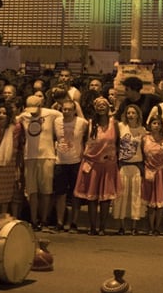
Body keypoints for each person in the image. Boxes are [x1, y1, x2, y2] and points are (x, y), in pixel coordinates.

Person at [74, 96, 121, 235]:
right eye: (98, 105)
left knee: (105, 198)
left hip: (108, 164)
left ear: (108, 108)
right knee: (92, 197)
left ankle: (102, 227)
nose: (101, 107)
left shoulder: (115, 124)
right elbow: (84, 142)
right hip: (92, 163)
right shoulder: (90, 124)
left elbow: (118, 142)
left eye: (104, 105)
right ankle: (93, 227)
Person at [17, 94, 64, 231]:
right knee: (32, 191)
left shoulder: (51, 114)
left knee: (46, 191)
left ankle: (44, 219)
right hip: (30, 156)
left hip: (47, 156)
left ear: (40, 105)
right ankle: (33, 219)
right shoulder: (24, 116)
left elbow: (65, 117)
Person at [53, 96, 88, 232]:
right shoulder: (56, 121)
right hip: (60, 161)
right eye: (64, 109)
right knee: (60, 194)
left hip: (76, 161)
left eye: (69, 109)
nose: (66, 112)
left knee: (75, 194)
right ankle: (60, 222)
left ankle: (74, 221)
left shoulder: (82, 123)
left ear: (74, 111)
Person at [113, 103, 147, 235]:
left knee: (135, 196)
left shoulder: (143, 130)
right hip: (123, 166)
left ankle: (134, 226)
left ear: (138, 115)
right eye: (129, 113)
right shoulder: (121, 127)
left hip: (136, 166)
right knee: (121, 196)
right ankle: (121, 226)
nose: (131, 115)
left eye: (133, 113)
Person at [141, 114, 163, 235]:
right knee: (150, 202)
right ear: (150, 125)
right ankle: (151, 227)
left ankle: (157, 227)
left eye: (158, 123)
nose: (156, 126)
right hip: (149, 170)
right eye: (154, 123)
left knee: (160, 202)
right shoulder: (145, 138)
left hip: (162, 171)